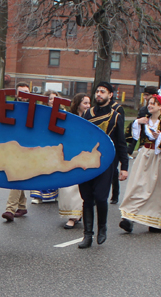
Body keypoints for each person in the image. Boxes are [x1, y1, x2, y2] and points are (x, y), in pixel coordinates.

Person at [119, 94, 161, 233]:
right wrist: (137, 123)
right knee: (138, 186)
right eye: (149, 102)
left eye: (153, 103)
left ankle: (156, 221)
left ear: (160, 106)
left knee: (158, 190)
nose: (150, 105)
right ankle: (128, 218)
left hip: (160, 159)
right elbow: (130, 135)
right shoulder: (144, 120)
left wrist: (160, 137)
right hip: (145, 156)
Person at [78, 82, 129, 249]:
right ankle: (87, 235)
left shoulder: (115, 117)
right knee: (87, 199)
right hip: (86, 162)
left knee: (100, 197)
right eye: (97, 91)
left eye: (103, 92)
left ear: (110, 95)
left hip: (106, 163)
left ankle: (102, 227)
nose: (98, 94)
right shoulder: (87, 114)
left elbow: (121, 143)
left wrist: (124, 167)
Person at [58, 93, 90, 229]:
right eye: (85, 103)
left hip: (85, 156)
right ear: (78, 104)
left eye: (89, 103)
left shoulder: (92, 118)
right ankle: (71, 214)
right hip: (70, 154)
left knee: (80, 187)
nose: (88, 106)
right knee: (67, 186)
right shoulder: (69, 118)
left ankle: (76, 215)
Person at [1, 82, 30, 222]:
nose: (23, 95)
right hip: (13, 147)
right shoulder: (10, 108)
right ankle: (22, 205)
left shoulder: (34, 109)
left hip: (28, 148)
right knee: (18, 175)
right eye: (21, 92)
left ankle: (10, 209)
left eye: (26, 92)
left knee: (16, 175)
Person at [30, 90, 60, 204]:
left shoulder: (62, 112)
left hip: (55, 146)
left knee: (54, 171)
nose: (53, 101)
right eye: (51, 98)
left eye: (55, 99)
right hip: (41, 145)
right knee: (38, 170)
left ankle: (55, 194)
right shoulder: (40, 112)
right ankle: (38, 195)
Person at [109, 94, 125, 205]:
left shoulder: (118, 109)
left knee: (113, 171)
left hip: (114, 142)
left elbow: (120, 127)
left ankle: (115, 194)